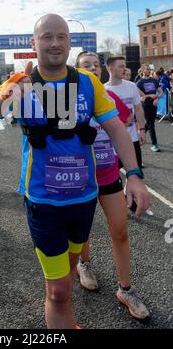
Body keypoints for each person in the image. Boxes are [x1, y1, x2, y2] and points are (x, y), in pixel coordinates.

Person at [0, 14, 151, 329]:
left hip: (82, 199)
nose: (54, 43)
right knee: (57, 291)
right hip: (43, 201)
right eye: (46, 37)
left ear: (69, 42)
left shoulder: (86, 81)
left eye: (61, 37)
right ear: (34, 43)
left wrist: (134, 175)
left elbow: (116, 129)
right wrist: (9, 91)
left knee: (67, 276)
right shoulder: (22, 82)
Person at [75, 52, 149, 320]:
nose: (92, 69)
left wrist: (133, 173)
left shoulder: (110, 98)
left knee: (120, 232)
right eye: (86, 66)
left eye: (95, 65)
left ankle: (125, 290)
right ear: (77, 71)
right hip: (80, 180)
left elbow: (125, 124)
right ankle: (84, 264)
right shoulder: (70, 100)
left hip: (108, 177)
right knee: (82, 231)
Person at [105, 56, 146, 170]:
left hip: (132, 139)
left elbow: (138, 109)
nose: (124, 69)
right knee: (114, 179)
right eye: (121, 66)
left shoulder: (131, 86)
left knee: (135, 175)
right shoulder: (103, 90)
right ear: (111, 68)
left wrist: (142, 130)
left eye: (125, 66)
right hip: (112, 143)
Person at [136, 64, 163, 152]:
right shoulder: (139, 82)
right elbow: (140, 96)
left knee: (149, 122)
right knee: (151, 124)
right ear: (143, 70)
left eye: (149, 69)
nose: (148, 70)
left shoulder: (154, 80)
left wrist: (157, 98)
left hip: (154, 105)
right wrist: (149, 96)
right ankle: (154, 144)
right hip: (146, 105)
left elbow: (161, 92)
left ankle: (140, 133)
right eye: (147, 69)